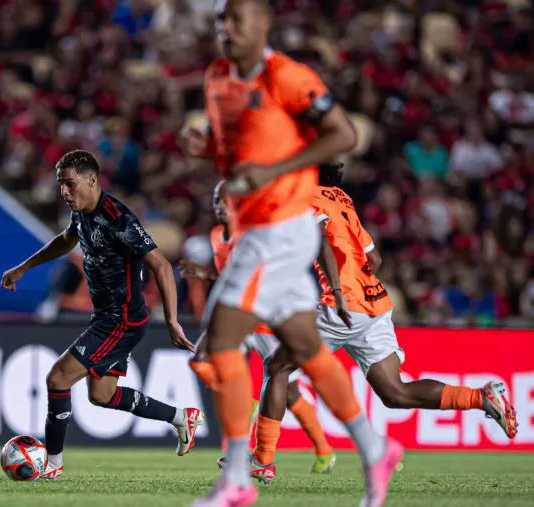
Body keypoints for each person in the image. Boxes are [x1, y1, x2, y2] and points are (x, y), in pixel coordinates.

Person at [180, 1, 401, 505]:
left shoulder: (290, 77)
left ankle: (237, 479)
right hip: (254, 224)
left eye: (237, 19)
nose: (227, 29)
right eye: (221, 20)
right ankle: (375, 448)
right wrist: (207, 152)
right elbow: (236, 152)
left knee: (219, 345)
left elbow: (341, 135)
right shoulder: (218, 78)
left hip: (281, 230)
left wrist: (279, 171)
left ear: (264, 24)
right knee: (304, 351)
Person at [1, 150, 203, 480]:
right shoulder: (82, 214)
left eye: (70, 184)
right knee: (103, 396)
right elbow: (65, 241)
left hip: (121, 320)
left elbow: (162, 266)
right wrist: (24, 267)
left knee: (57, 378)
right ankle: (182, 417)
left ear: (92, 180)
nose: (64, 192)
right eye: (60, 185)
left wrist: (171, 320)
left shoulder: (118, 219)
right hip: (108, 317)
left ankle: (52, 464)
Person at [308, 164, 517, 436]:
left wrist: (339, 287)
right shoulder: (341, 198)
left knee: (277, 366)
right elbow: (375, 259)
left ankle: (259, 457)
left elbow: (322, 242)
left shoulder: (305, 197)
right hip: (373, 301)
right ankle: (480, 398)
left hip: (341, 304)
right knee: (395, 393)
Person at [181, 181, 336, 483]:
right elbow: (232, 274)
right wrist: (206, 275)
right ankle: (249, 405)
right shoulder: (216, 235)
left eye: (224, 201)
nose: (218, 206)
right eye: (216, 200)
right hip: (238, 314)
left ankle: (321, 448)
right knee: (200, 360)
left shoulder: (253, 233)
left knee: (286, 391)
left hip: (262, 317)